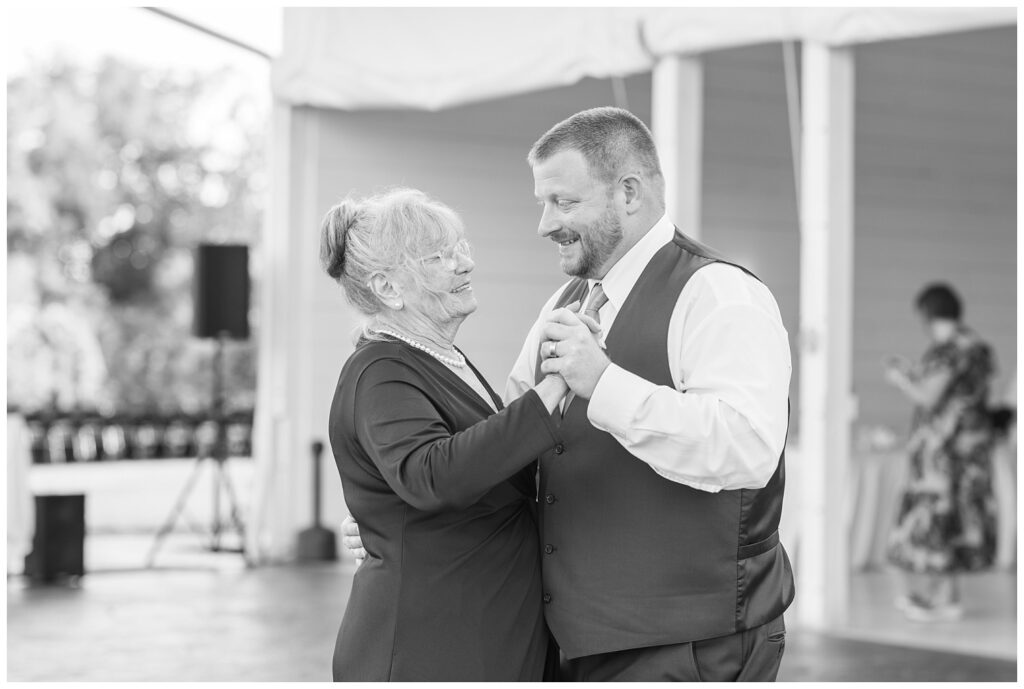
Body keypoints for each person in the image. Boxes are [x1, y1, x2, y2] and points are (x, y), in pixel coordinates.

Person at [344, 107, 795, 681]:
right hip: (576, 645)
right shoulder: (562, 307)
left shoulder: (718, 293)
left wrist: (605, 385)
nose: (543, 224)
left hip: (692, 643)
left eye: (563, 202)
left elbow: (747, 449)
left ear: (628, 194)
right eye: (543, 203)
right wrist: (398, 520)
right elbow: (506, 446)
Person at [320, 188, 571, 681]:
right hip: (430, 645)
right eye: (440, 256)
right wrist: (558, 386)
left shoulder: (435, 357)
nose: (464, 265)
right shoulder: (382, 369)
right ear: (388, 289)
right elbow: (432, 475)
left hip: (481, 632)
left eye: (461, 249)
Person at [884, 283, 999, 622]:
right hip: (973, 450)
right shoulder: (979, 348)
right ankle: (946, 596)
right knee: (956, 520)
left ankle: (941, 599)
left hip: (944, 453)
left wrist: (900, 377)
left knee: (938, 520)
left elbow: (929, 398)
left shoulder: (948, 350)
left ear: (928, 315)